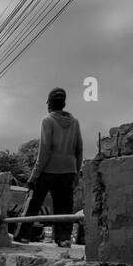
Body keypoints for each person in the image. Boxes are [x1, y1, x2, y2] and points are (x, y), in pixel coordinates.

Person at [15, 87, 83, 245]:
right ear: (64, 103)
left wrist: (33, 176)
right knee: (64, 206)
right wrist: (76, 174)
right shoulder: (75, 122)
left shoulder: (48, 121)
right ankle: (64, 238)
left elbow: (44, 151)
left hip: (48, 170)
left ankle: (24, 235)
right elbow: (79, 150)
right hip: (69, 171)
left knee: (34, 202)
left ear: (49, 104)